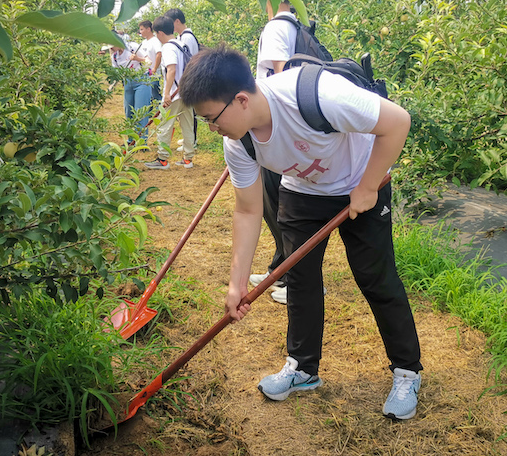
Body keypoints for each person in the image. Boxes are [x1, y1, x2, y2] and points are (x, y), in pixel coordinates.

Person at [179, 44, 423, 420]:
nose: (212, 129)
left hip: (361, 181)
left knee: (375, 278)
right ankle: (303, 368)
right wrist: (236, 283)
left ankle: (407, 371)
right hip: (302, 191)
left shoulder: (317, 95)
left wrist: (368, 186)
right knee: (300, 279)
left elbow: (397, 122)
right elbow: (247, 210)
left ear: (240, 100)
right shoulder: (239, 142)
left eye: (212, 119)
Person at [249, 0, 301, 305]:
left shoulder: (275, 28)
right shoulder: (297, 23)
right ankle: (280, 269)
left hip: (278, 131)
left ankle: (295, 279)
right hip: (290, 130)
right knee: (279, 206)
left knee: (279, 207)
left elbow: (284, 80)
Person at [143, 16, 195, 170]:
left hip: (174, 94)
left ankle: (162, 160)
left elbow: (171, 69)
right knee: (187, 125)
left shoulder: (168, 47)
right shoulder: (181, 44)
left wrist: (166, 94)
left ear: (160, 33)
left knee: (164, 124)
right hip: (186, 92)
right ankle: (188, 159)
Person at [164, 8, 200, 152]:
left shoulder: (187, 38)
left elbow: (188, 61)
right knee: (187, 114)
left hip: (186, 81)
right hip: (185, 81)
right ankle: (189, 141)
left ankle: (192, 141)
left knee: (189, 114)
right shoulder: (182, 37)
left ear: (177, 21)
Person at [111, 41, 151, 143]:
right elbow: (116, 73)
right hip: (128, 83)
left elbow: (149, 61)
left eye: (112, 45)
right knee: (129, 112)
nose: (111, 48)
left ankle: (141, 141)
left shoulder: (132, 47)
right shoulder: (114, 57)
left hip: (141, 81)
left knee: (140, 112)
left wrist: (137, 59)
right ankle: (130, 140)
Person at [131, 20, 163, 112]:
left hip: (153, 73)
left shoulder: (155, 41)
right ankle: (150, 112)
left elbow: (159, 54)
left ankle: (160, 112)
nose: (140, 32)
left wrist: (154, 68)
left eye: (142, 29)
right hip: (144, 73)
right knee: (148, 95)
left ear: (148, 29)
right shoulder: (144, 42)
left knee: (155, 94)